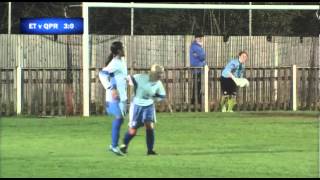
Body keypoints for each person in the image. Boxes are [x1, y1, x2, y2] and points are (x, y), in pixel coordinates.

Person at [119, 64, 167, 155]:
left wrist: (155, 98)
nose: (160, 75)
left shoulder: (158, 83)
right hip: (136, 106)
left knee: (149, 126)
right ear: (153, 73)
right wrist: (124, 79)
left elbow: (161, 96)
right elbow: (129, 78)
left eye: (161, 73)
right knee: (133, 130)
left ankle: (150, 150)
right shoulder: (140, 77)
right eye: (158, 73)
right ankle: (124, 146)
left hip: (149, 106)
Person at [99, 41, 128, 156]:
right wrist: (112, 88)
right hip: (114, 97)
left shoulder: (122, 61)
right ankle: (114, 146)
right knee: (119, 118)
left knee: (120, 119)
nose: (124, 49)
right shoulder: (115, 63)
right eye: (123, 48)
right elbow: (102, 74)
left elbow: (115, 75)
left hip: (122, 95)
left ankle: (113, 145)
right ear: (119, 51)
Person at [190, 34, 206, 105]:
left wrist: (199, 56)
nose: (200, 39)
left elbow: (201, 57)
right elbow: (203, 57)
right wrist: (201, 57)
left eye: (201, 38)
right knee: (197, 86)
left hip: (198, 69)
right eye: (199, 38)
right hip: (197, 69)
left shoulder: (196, 46)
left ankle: (196, 102)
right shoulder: (195, 47)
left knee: (198, 86)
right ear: (196, 38)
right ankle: (195, 102)